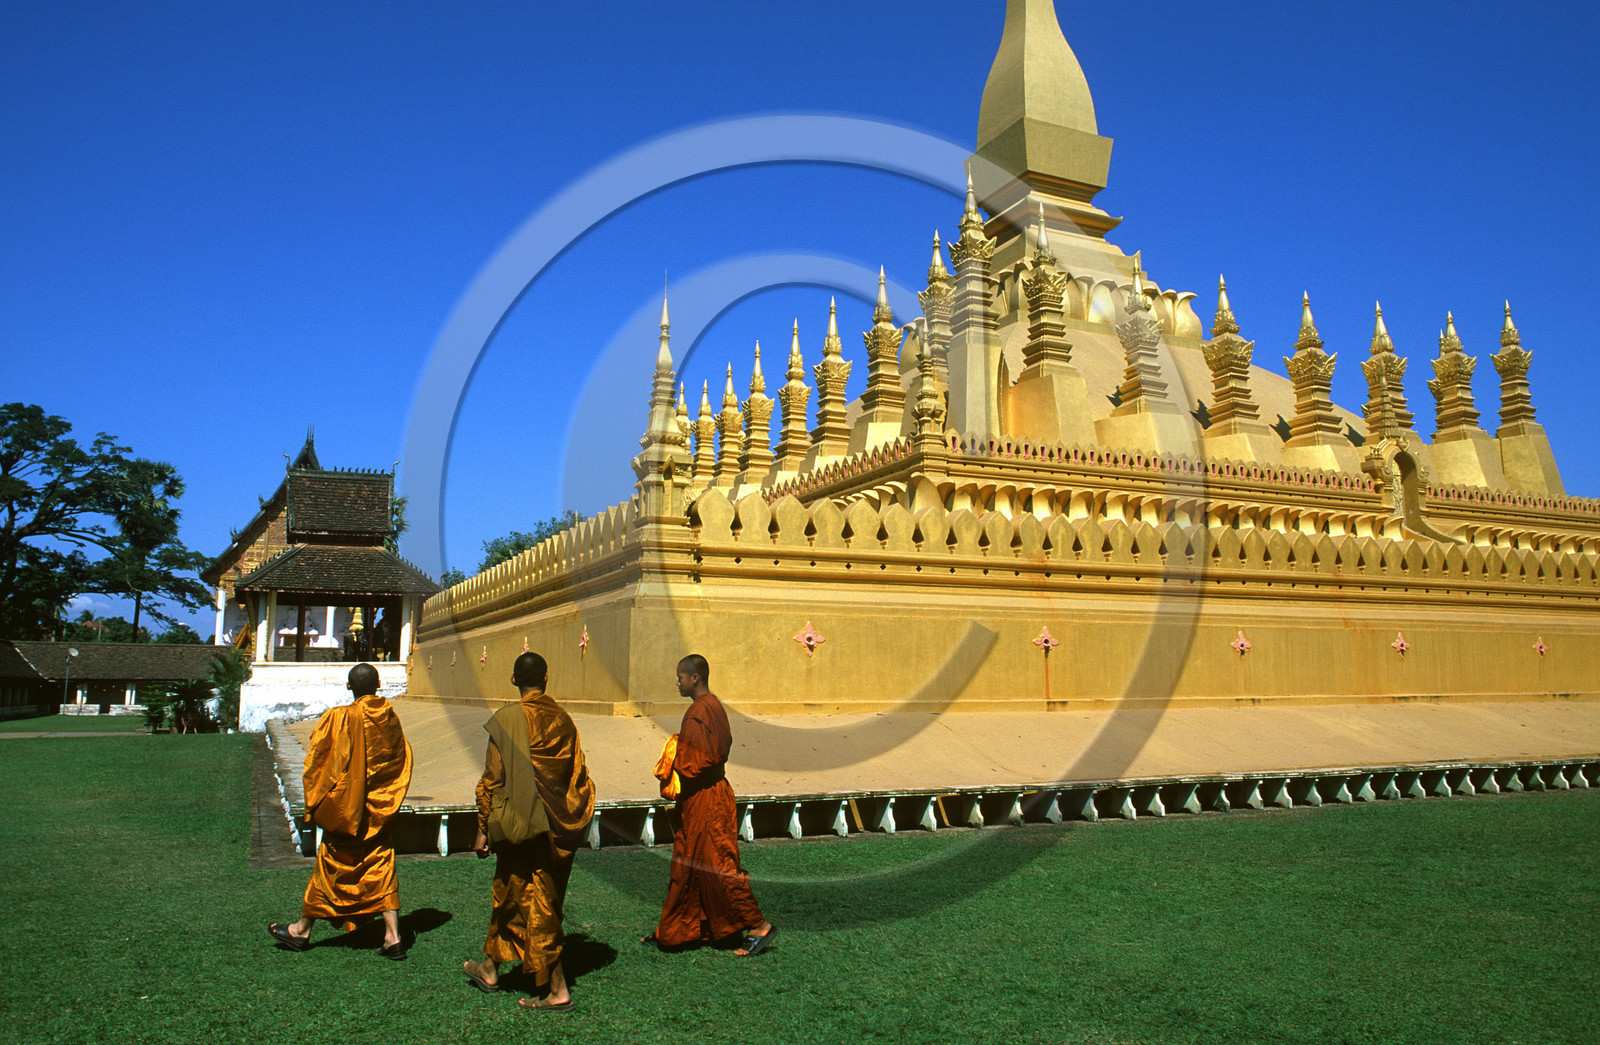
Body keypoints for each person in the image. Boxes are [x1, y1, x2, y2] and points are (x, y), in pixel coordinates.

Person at [462, 652, 596, 1013]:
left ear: (512, 679)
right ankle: (490, 967)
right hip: (555, 826)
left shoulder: (506, 719)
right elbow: (577, 776)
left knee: (535, 903)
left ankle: (557, 988)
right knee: (508, 893)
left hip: (520, 827)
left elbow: (492, 779)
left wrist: (482, 828)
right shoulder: (563, 721)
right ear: (547, 678)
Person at [268, 662, 413, 958]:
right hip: (379, 810)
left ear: (349, 687)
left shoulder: (340, 717)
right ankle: (393, 935)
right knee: (381, 866)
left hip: (349, 810)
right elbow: (401, 758)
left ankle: (301, 929)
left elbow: (320, 759)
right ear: (379, 684)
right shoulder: (390, 718)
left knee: (330, 865)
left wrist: (320, 799)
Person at [646, 653, 776, 956]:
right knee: (688, 863)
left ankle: (758, 925)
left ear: (695, 679)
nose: (677, 682)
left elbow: (695, 763)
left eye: (681, 677)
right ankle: (678, 929)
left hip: (705, 797)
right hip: (712, 793)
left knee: (718, 865)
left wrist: (672, 754)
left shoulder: (697, 713)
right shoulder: (714, 706)